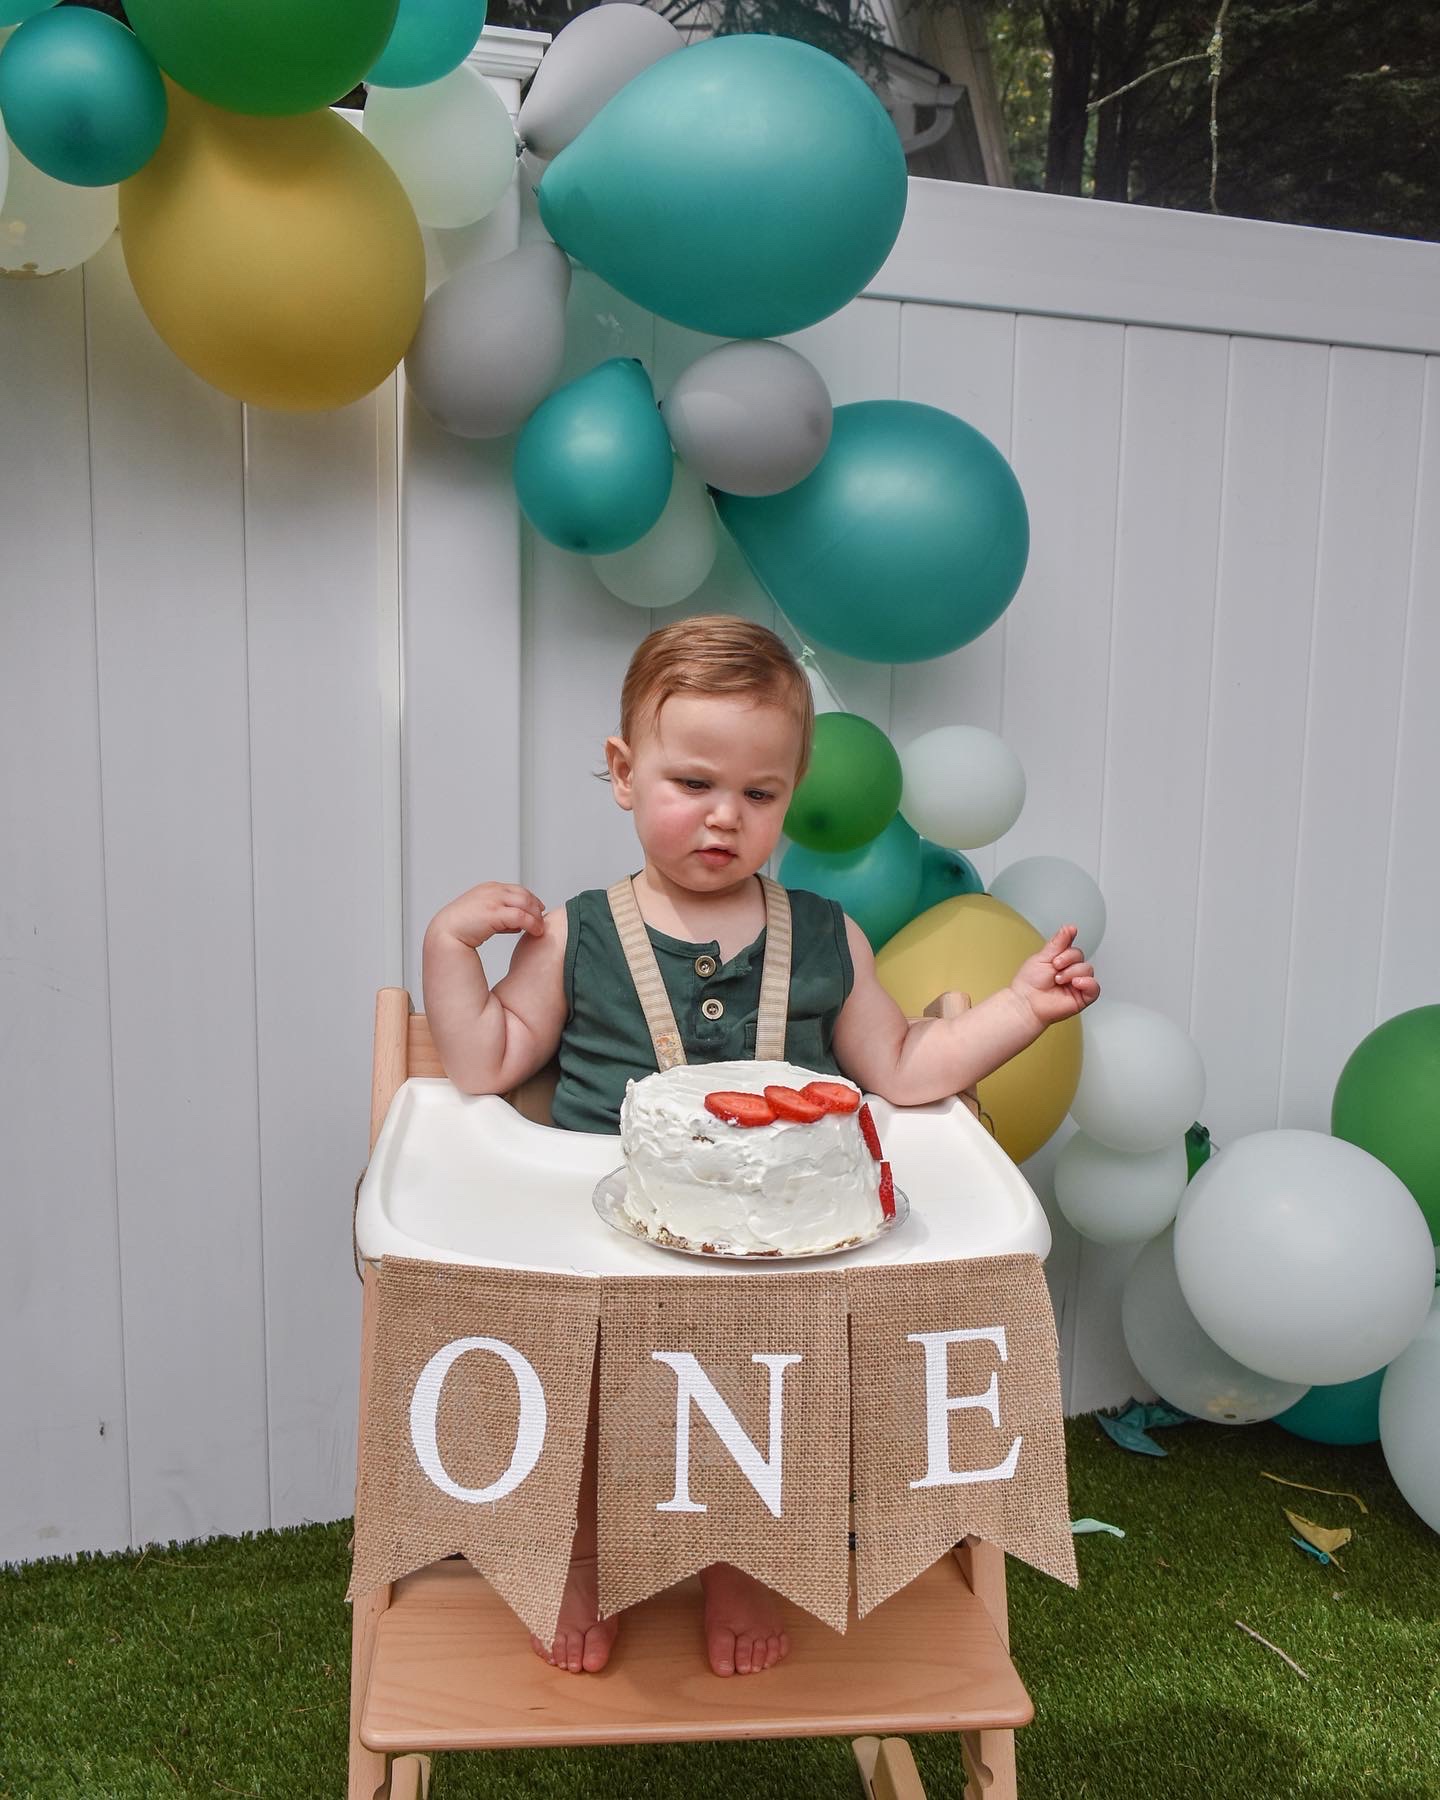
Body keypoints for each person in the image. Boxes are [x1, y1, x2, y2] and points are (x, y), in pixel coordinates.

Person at [423, 614, 1098, 1680]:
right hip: (607, 1243)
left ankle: (734, 1556)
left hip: (775, 1258)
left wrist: (1019, 1010)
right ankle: (584, 1554)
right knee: (585, 1393)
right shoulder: (574, 935)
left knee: (769, 1389)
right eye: (693, 783)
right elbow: (483, 1060)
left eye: (760, 793)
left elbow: (906, 1068)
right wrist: (450, 946)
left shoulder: (829, 936)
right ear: (623, 773)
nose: (724, 817)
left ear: (791, 794)